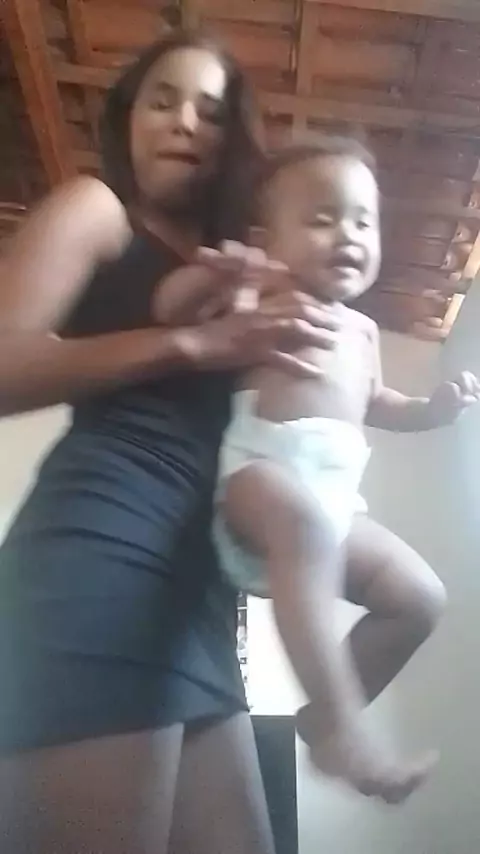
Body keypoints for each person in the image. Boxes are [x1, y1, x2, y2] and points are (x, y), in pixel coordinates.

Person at [0, 35, 342, 854]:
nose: (185, 121)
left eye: (211, 112)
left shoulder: (243, 264)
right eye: (163, 100)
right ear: (128, 120)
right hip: (103, 552)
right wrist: (190, 344)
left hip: (199, 592)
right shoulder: (97, 209)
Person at [155, 136, 480, 803]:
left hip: (335, 508)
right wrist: (217, 277)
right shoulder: (264, 292)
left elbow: (378, 403)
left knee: (419, 598)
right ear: (266, 241)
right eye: (323, 218)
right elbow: (170, 311)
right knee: (302, 526)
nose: (348, 235)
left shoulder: (363, 332)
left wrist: (432, 410)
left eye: (363, 221)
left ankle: (322, 721)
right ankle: (347, 727)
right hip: (259, 479)